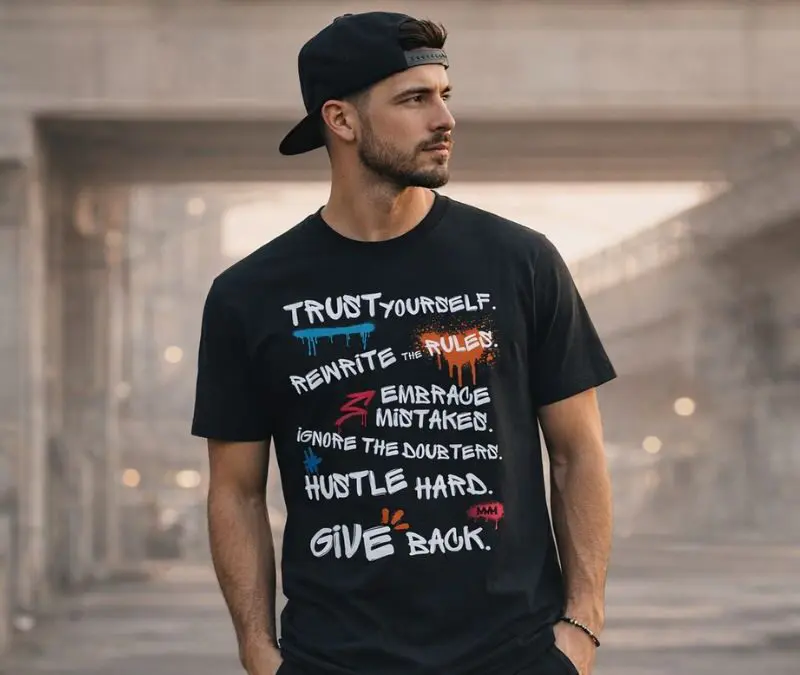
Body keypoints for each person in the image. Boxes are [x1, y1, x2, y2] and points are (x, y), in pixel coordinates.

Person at [192, 11, 616, 675]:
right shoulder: (250, 294)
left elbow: (578, 452)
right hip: (334, 659)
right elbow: (236, 491)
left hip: (515, 656)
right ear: (341, 120)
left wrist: (582, 625)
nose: (443, 119)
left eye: (444, 96)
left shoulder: (521, 262)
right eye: (414, 99)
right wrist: (257, 649)